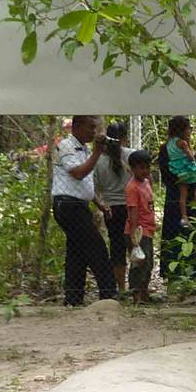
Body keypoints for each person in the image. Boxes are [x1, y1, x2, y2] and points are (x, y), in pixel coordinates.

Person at [51, 114, 117, 305]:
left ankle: (73, 298)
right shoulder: (66, 146)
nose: (93, 132)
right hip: (68, 206)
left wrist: (99, 203)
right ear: (77, 126)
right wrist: (97, 153)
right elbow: (78, 173)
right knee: (96, 248)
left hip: (79, 205)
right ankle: (109, 295)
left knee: (77, 252)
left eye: (95, 128)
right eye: (90, 127)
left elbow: (85, 183)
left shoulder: (85, 149)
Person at [158, 116, 196, 283]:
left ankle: (194, 275)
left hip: (191, 197)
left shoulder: (185, 147)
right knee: (174, 235)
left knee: (193, 235)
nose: (190, 132)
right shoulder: (167, 149)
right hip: (175, 195)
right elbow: (166, 173)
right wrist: (183, 180)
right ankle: (174, 274)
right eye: (188, 129)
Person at [94, 121, 133, 296]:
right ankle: (136, 286)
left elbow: (95, 187)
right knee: (135, 245)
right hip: (132, 207)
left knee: (117, 248)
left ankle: (121, 288)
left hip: (111, 210)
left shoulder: (98, 161)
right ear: (124, 138)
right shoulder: (132, 155)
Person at [124, 149, 158, 304]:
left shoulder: (146, 182)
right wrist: (134, 235)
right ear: (133, 169)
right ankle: (136, 293)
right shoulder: (132, 187)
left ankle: (144, 292)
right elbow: (133, 211)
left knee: (148, 263)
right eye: (141, 168)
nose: (145, 171)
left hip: (148, 229)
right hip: (138, 231)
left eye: (147, 167)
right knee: (139, 263)